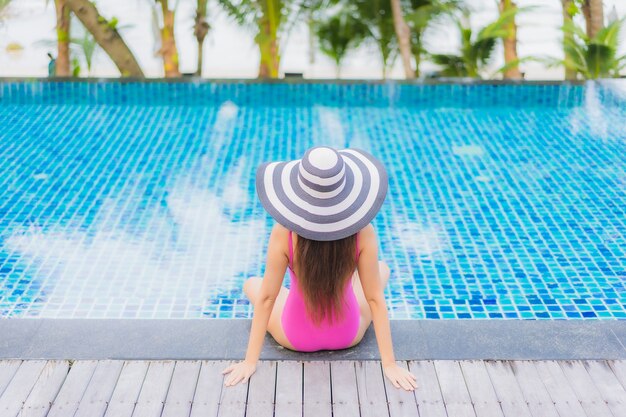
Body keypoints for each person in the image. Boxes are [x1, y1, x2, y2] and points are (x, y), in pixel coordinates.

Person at [222, 146, 418, 392]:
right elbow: (375, 299)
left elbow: (267, 298)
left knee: (252, 284)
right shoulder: (364, 233)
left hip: (295, 335)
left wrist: (250, 362)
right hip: (347, 334)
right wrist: (389, 364)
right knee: (381, 270)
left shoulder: (284, 233)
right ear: (346, 191)